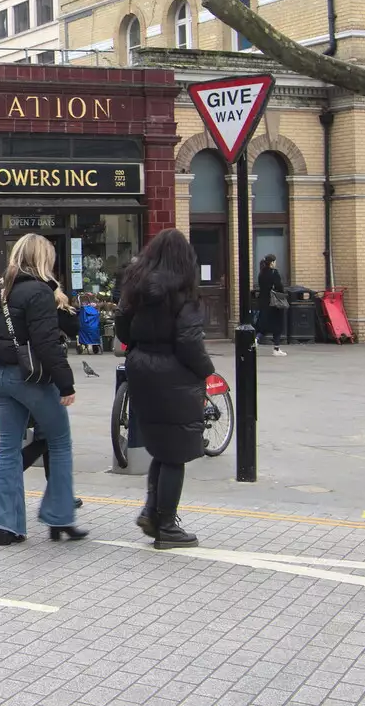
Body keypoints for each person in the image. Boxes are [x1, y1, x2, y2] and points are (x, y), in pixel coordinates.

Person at [0, 233, 85, 545]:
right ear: (43, 259)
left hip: (0, 376)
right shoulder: (39, 292)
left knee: (8, 448)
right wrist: (65, 382)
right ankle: (59, 516)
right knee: (60, 442)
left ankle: (6, 526)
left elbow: (67, 325)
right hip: (30, 378)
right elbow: (47, 342)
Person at [117, 229, 215, 549]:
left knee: (161, 447)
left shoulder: (136, 287)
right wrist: (206, 370)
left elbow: (121, 327)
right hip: (173, 372)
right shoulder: (184, 293)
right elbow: (189, 341)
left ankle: (152, 513)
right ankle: (168, 526)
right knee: (176, 454)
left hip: (141, 367)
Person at [256, 254, 287, 356]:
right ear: (272, 262)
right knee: (277, 325)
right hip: (275, 304)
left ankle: (256, 340)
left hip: (264, 302)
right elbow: (279, 286)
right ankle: (276, 349)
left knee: (264, 325)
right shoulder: (274, 273)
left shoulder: (261, 273)